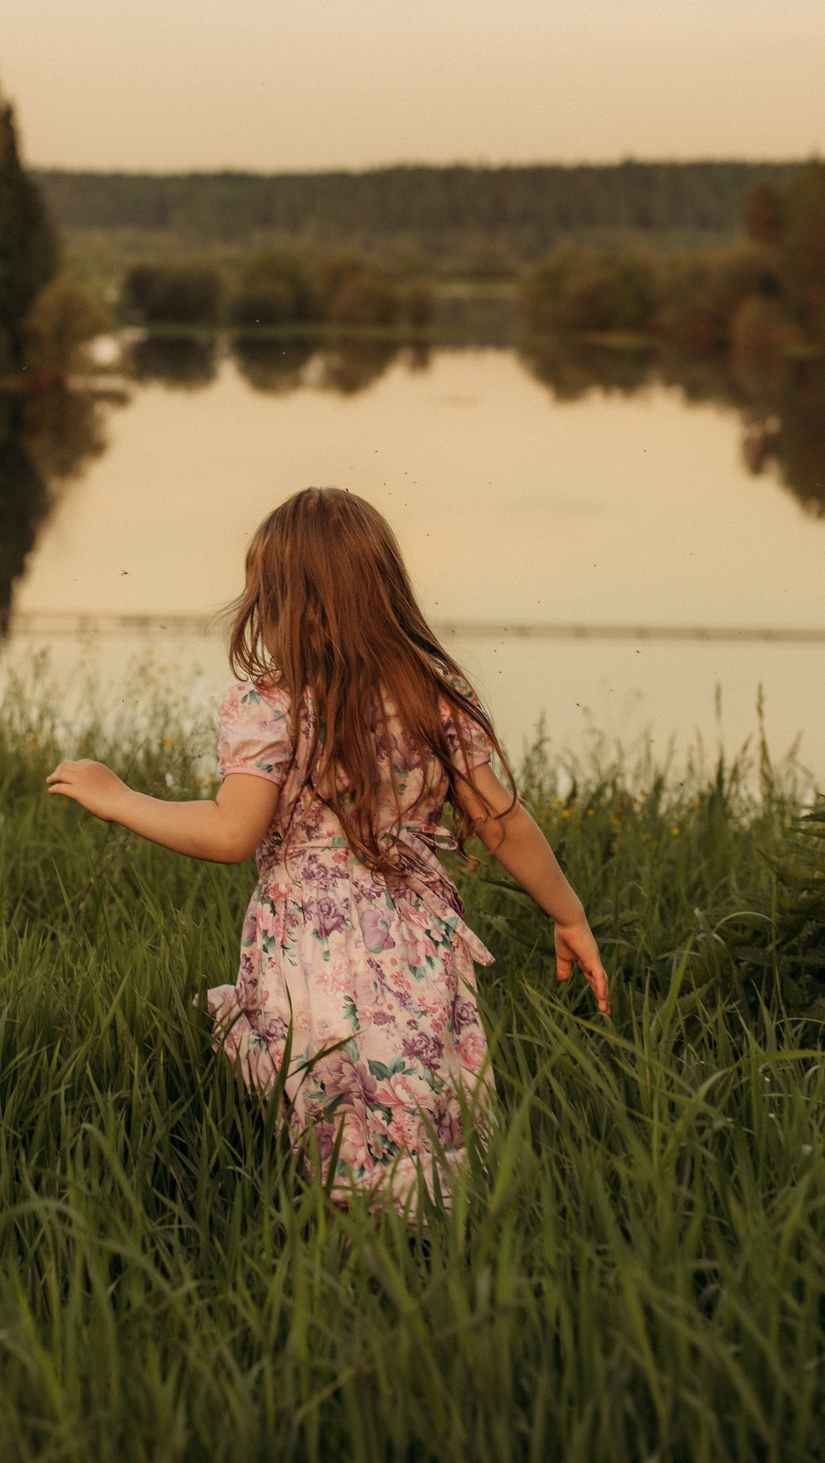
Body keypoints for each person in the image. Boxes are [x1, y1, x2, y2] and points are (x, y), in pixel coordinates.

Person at [47, 486, 609, 1215]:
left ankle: (344, 1234)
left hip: (311, 939)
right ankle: (433, 1222)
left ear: (282, 602)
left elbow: (231, 833)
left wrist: (120, 797)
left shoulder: (270, 704)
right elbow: (501, 822)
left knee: (332, 1095)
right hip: (414, 936)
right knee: (413, 1081)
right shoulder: (430, 695)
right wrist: (569, 912)